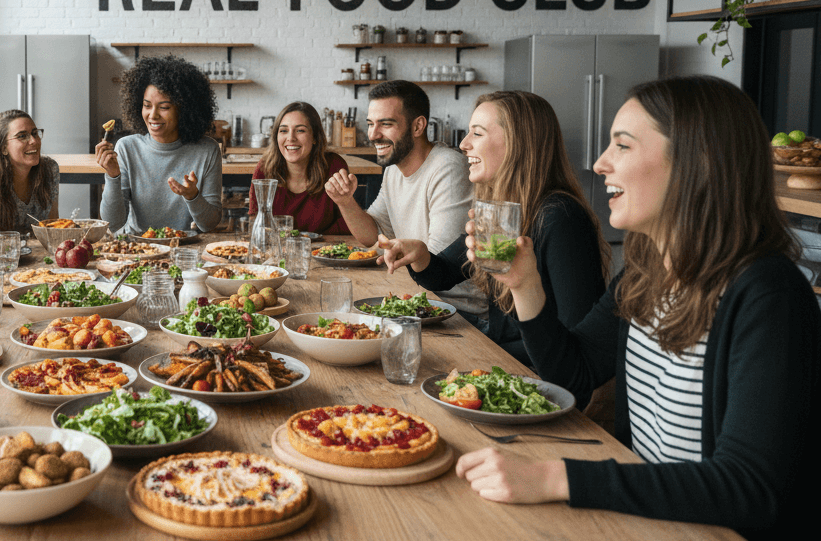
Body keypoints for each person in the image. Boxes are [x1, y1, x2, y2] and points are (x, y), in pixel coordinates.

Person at [454, 76, 819, 540]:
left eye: (622, 146)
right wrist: (526, 286)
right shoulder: (645, 274)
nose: (600, 163)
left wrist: (555, 477)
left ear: (696, 161)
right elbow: (573, 376)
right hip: (640, 519)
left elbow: (751, 487)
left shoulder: (767, 294)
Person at [378, 91, 608, 368]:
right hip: (500, 351)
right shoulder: (500, 209)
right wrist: (420, 254)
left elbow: (577, 346)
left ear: (517, 144)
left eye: (477, 133)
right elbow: (445, 273)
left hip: (532, 370)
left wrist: (483, 358)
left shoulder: (560, 217)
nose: (463, 144)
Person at [325, 80, 486, 321]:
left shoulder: (448, 168)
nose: (373, 134)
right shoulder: (394, 169)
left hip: (458, 314)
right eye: (370, 124)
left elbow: (436, 264)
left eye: (386, 124)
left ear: (418, 126)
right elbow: (373, 236)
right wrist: (345, 201)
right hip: (418, 300)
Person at [96, 55, 223, 234]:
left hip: (185, 250)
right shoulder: (126, 147)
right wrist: (112, 176)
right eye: (147, 106)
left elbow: (209, 224)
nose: (153, 115)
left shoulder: (207, 150)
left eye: (164, 107)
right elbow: (113, 224)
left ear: (184, 109)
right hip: (138, 249)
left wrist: (192, 196)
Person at [247, 101, 349, 234]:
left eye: (300, 130)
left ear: (315, 137)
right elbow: (255, 223)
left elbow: (347, 223)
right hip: (277, 251)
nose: (291, 138)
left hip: (325, 252)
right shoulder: (264, 169)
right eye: (284, 130)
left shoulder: (334, 166)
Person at [0, 109, 60, 240]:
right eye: (22, 136)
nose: (33, 141)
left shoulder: (50, 169)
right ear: (3, 148)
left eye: (35, 133)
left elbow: (53, 221)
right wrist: (13, 238)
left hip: (35, 254)